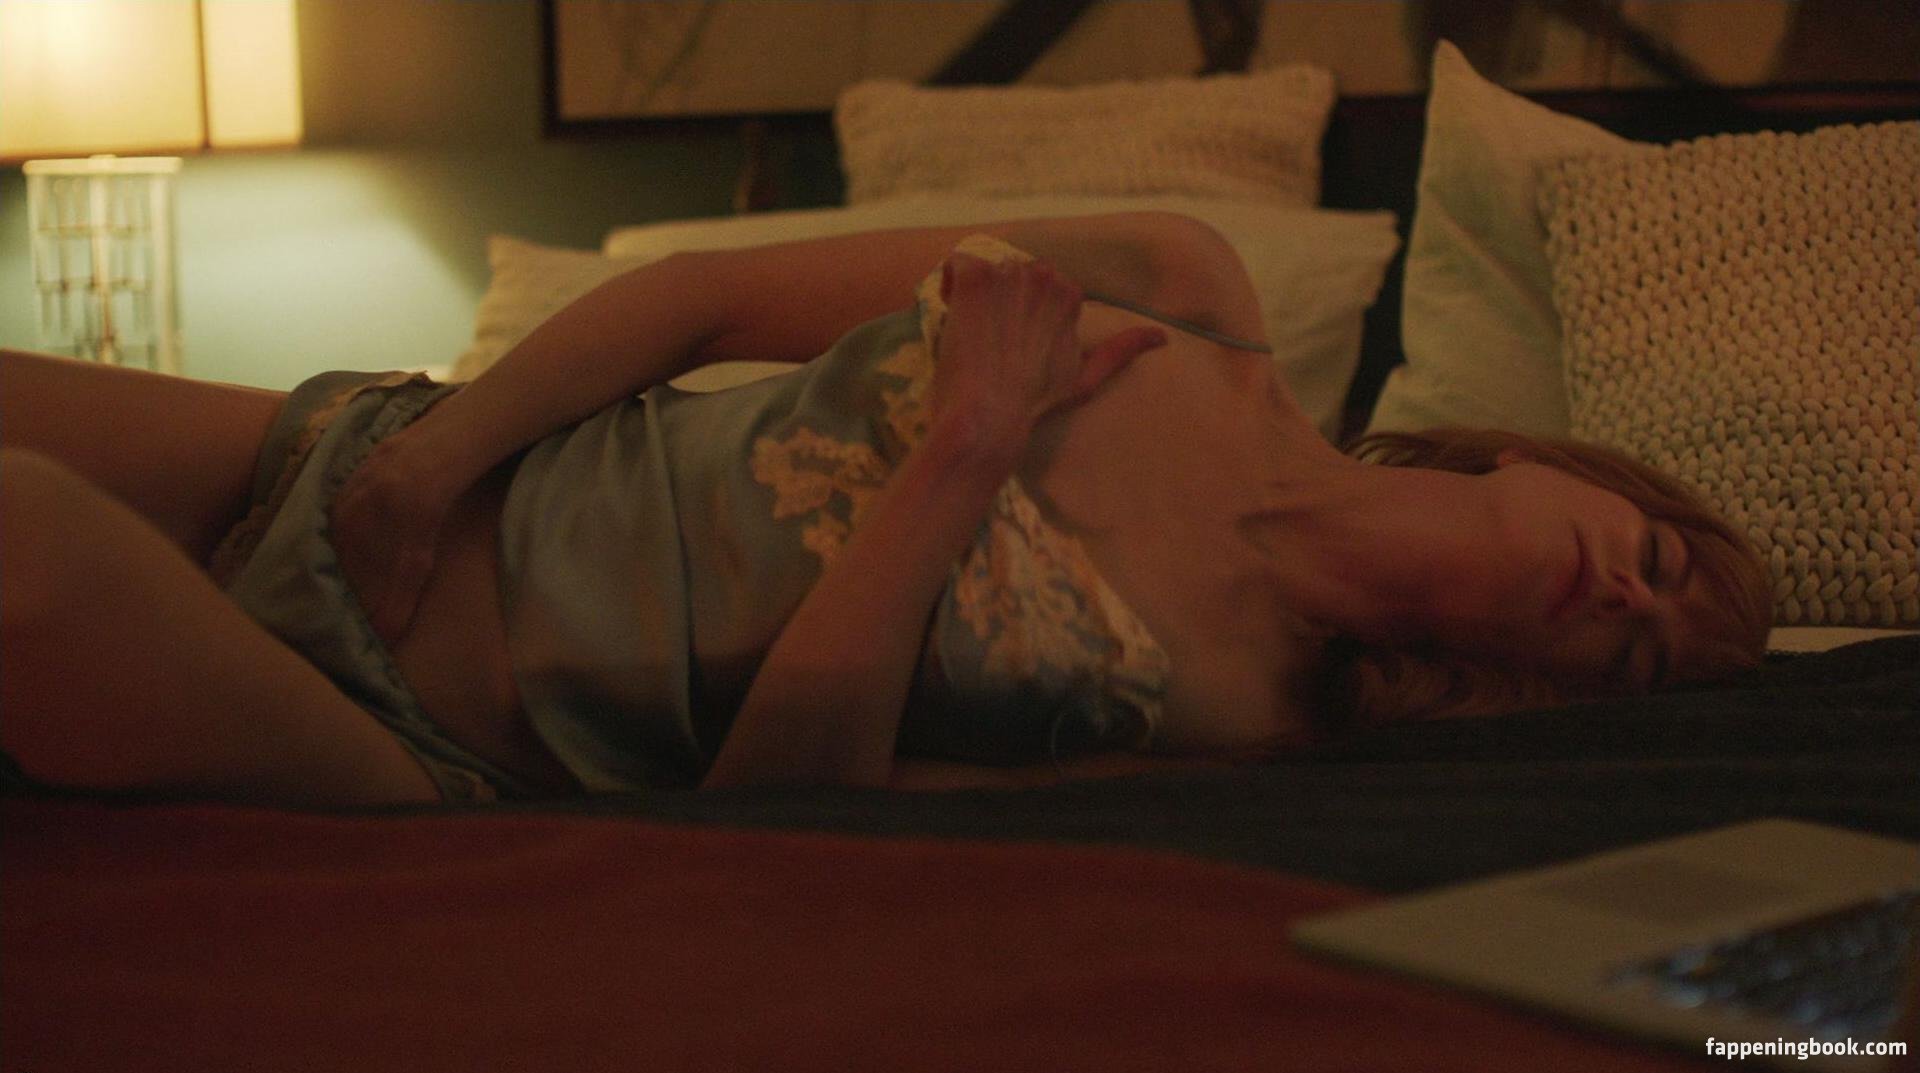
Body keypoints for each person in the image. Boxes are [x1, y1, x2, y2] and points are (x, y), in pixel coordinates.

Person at [0, 213, 1771, 808]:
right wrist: (428, 465)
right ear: (1567, 466)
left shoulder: (1247, 727)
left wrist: (966, 451)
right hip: (363, 473)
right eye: (1658, 558)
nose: (1623, 596)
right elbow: (700, 298)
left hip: (410, 736)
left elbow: (785, 804)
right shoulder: (1185, 290)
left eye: (1639, 652)